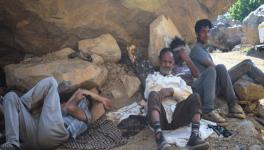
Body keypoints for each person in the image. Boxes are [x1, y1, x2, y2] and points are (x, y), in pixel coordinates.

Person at [0, 77, 112, 150]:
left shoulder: (86, 115)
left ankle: (23, 104)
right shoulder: (61, 110)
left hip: (55, 134)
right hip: (35, 139)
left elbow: (70, 107)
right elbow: (75, 95)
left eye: (86, 96)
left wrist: (96, 97)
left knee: (51, 82)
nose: (82, 95)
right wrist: (80, 93)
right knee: (10, 96)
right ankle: (13, 143)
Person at [189, 19, 264, 123]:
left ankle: (233, 105)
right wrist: (226, 78)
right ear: (197, 34)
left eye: (208, 31)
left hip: (213, 84)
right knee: (242, 65)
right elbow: (213, 67)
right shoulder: (196, 49)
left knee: (248, 62)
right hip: (207, 89)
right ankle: (232, 104)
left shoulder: (203, 49)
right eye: (203, 32)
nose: (206, 35)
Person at [145, 48, 209, 150]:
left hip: (178, 117)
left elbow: (188, 94)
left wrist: (172, 91)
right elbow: (148, 93)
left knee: (195, 97)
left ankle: (194, 137)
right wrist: (163, 92)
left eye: (170, 62)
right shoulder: (151, 78)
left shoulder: (178, 80)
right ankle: (159, 138)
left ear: (173, 63)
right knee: (153, 94)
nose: (167, 65)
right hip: (160, 118)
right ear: (160, 62)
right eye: (164, 62)